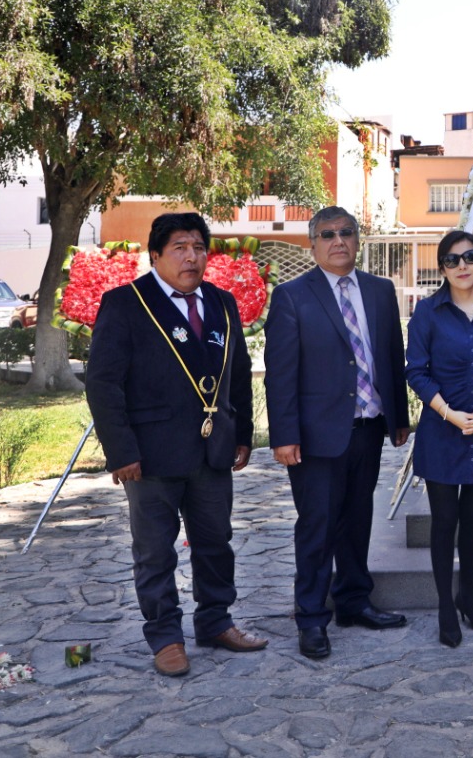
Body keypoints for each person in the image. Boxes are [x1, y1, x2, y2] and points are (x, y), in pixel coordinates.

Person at [85, 212, 267, 676]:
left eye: (199, 247)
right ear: (156, 255)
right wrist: (121, 451)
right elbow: (104, 383)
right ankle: (165, 635)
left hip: (212, 452)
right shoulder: (127, 303)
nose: (192, 257)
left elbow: (238, 375)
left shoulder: (222, 303)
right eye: (180, 248)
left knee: (215, 542)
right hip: (150, 456)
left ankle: (215, 620)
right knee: (155, 551)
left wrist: (242, 433)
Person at [265, 206, 411, 660]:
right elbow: (280, 373)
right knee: (317, 526)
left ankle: (353, 602)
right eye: (327, 234)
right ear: (312, 244)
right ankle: (311, 616)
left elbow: (390, 355)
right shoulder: (293, 296)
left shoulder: (381, 291)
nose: (338, 240)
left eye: (346, 232)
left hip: (367, 428)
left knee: (356, 521)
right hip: (314, 436)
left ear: (358, 239)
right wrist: (284, 435)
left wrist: (399, 419)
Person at [405, 229, 473, 648]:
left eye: (470, 257)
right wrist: (451, 415)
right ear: (443, 268)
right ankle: (445, 608)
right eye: (452, 260)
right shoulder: (428, 314)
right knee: (444, 522)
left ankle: (468, 598)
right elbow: (416, 371)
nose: (462, 266)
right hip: (442, 431)